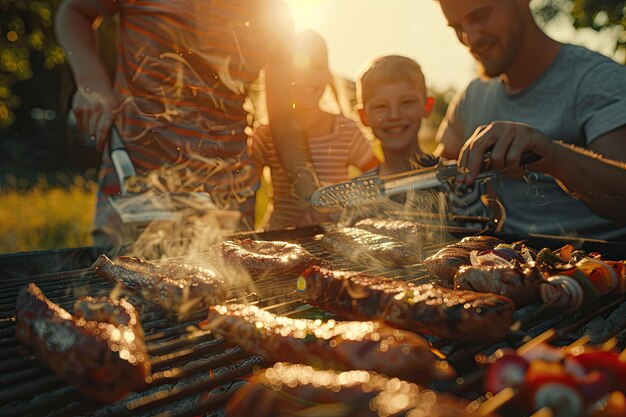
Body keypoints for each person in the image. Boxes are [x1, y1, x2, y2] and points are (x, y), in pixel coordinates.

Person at [55, 0, 319, 245]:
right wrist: (91, 83)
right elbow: (74, 12)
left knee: (229, 290)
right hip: (134, 182)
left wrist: (314, 193)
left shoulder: (274, 15)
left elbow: (284, 121)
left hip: (227, 195)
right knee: (117, 287)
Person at [434, 0, 626, 240]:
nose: (469, 38)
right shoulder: (472, 97)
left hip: (598, 268)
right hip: (500, 265)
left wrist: (553, 156)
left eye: (480, 16)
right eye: (456, 28)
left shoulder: (598, 80)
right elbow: (434, 181)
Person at [251, 30, 379, 230]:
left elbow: (376, 179)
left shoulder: (345, 130)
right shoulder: (266, 135)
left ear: (328, 74)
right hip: (279, 238)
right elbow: (247, 191)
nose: (307, 75)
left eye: (317, 66)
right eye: (295, 66)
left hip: (334, 239)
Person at [355, 54, 445, 219]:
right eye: (381, 106)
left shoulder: (453, 177)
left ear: (427, 106)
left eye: (407, 102)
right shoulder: (359, 193)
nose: (394, 115)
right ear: (363, 116)